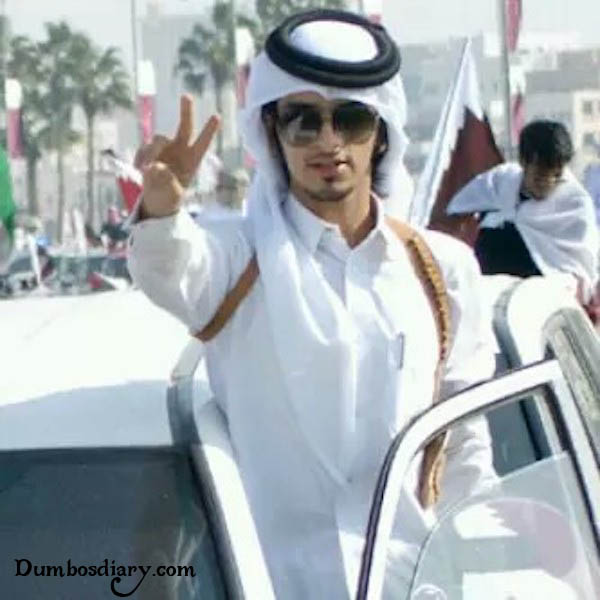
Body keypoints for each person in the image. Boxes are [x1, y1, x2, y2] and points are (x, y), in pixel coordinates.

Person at [128, 9, 498, 598]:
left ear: (381, 132)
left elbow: (466, 448)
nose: (328, 142)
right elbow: (168, 266)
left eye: (350, 119)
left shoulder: (439, 272)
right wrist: (161, 208)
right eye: (303, 121)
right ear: (272, 132)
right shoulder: (238, 262)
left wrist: (478, 571)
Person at [447, 120, 599, 302]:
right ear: (523, 162)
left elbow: (582, 271)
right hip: (491, 283)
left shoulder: (575, 202)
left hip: (543, 291)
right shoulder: (501, 180)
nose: (549, 183)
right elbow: (457, 210)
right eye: (540, 177)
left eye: (556, 176)